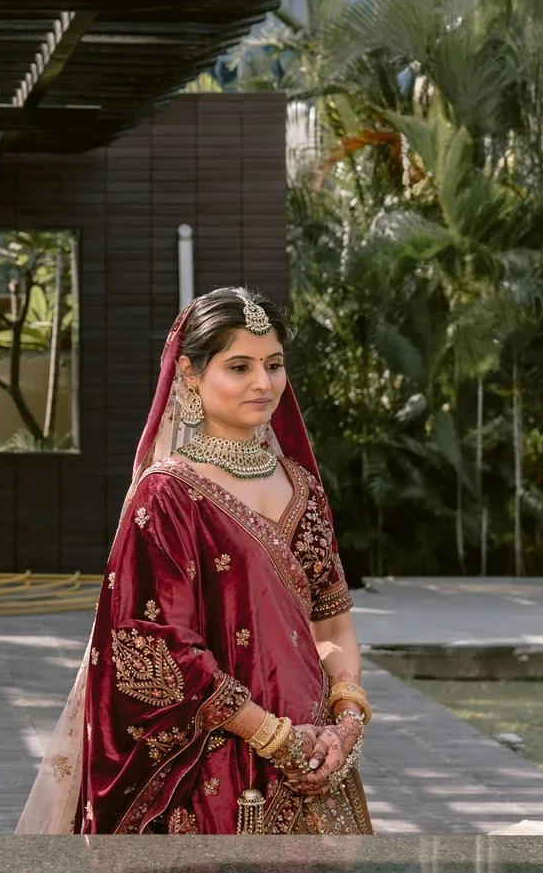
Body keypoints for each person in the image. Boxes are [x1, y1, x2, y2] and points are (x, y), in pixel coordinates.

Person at [19, 286, 372, 835]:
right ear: (189, 372)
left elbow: (331, 622)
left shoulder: (303, 486)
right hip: (216, 772)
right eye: (239, 367)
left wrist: (346, 722)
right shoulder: (167, 495)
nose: (263, 383)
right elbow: (155, 648)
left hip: (318, 761)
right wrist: (273, 736)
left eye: (274, 365)